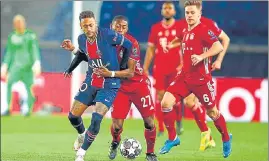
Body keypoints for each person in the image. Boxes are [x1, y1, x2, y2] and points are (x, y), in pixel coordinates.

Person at [64, 15, 158, 161]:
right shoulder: (105, 38)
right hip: (119, 86)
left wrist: (111, 73)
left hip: (137, 84)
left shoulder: (131, 43)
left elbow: (130, 72)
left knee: (149, 122)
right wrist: (74, 51)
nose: (120, 29)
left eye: (124, 27)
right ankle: (115, 142)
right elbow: (90, 56)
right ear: (112, 27)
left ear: (127, 28)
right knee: (116, 126)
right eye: (117, 26)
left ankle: (150, 153)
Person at [159, 1, 232, 158]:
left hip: (201, 80)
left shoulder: (205, 29)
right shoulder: (185, 28)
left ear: (199, 14)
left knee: (212, 112)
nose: (189, 15)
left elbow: (218, 46)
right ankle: (173, 138)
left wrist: (201, 57)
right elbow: (180, 39)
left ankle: (226, 137)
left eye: (192, 13)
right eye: (187, 13)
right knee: (165, 103)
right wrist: (169, 46)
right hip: (184, 77)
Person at [60, 11, 133, 161]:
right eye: (85, 26)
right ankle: (82, 134)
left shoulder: (107, 35)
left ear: (96, 24)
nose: (89, 28)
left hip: (109, 83)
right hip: (91, 80)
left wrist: (122, 66)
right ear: (81, 27)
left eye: (91, 25)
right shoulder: (81, 40)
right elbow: (83, 55)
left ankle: (81, 153)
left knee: (96, 118)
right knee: (73, 116)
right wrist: (70, 68)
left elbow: (128, 44)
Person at [143, 1, 184, 137]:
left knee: (175, 99)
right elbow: (151, 49)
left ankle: (178, 121)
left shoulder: (180, 26)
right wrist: (145, 67)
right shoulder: (155, 28)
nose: (167, 10)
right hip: (159, 68)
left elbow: (186, 46)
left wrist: (183, 63)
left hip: (175, 69)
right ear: (161, 11)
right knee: (160, 97)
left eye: (169, 8)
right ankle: (160, 127)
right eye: (164, 8)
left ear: (174, 11)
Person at [1, 14, 41, 116]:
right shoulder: (12, 37)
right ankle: (7, 108)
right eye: (16, 23)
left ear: (24, 23)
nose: (19, 25)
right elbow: (9, 52)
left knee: (29, 87)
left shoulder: (30, 35)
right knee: (9, 84)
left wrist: (37, 62)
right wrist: (5, 65)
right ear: (14, 25)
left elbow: (34, 50)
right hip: (15, 67)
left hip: (27, 67)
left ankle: (28, 110)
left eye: (20, 22)